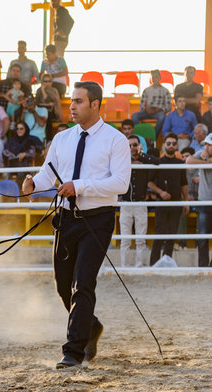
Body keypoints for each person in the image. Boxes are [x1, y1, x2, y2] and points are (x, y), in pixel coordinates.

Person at [22, 81, 131, 369]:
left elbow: (121, 183)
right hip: (66, 218)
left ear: (96, 105)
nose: (72, 106)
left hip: (98, 219)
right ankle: (91, 326)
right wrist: (33, 183)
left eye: (79, 101)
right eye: (72, 100)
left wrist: (79, 187)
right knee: (63, 287)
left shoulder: (115, 140)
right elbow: (49, 173)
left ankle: (73, 351)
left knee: (82, 284)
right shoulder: (62, 139)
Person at [147, 133, 190, 265]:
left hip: (176, 203)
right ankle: (153, 264)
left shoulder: (180, 163)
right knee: (160, 233)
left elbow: (184, 183)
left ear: (177, 145)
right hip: (162, 203)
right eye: (168, 143)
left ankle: (167, 263)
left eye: (173, 143)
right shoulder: (158, 162)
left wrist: (186, 202)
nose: (171, 146)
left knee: (171, 235)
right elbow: (149, 183)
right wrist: (161, 192)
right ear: (164, 145)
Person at [119, 135, 159, 267]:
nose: (132, 148)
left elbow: (157, 161)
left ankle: (139, 266)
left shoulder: (145, 159)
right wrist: (131, 163)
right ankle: (124, 267)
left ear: (139, 145)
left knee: (140, 239)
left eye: (134, 145)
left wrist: (142, 155)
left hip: (140, 204)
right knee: (125, 239)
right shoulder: (122, 159)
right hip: (125, 203)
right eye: (129, 145)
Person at [186, 133, 212, 267]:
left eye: (210, 145)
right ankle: (203, 266)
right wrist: (206, 161)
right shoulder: (202, 153)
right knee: (202, 238)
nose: (207, 147)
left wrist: (208, 161)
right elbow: (189, 161)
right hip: (204, 202)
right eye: (206, 144)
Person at [131, 70, 172, 138]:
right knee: (134, 116)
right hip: (147, 112)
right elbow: (141, 105)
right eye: (153, 77)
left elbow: (168, 107)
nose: (154, 79)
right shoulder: (146, 90)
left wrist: (159, 109)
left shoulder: (165, 91)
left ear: (159, 78)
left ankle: (153, 137)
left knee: (162, 117)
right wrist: (146, 109)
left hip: (159, 112)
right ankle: (140, 136)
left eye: (156, 77)